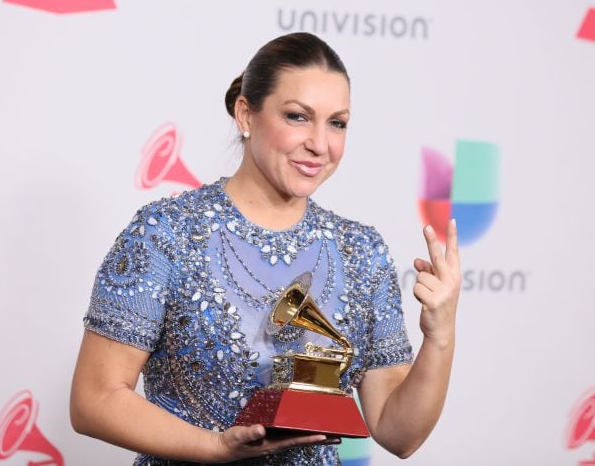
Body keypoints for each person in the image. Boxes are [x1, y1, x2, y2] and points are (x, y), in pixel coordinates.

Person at [70, 32, 461, 465]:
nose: (320, 143)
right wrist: (213, 447)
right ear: (246, 115)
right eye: (297, 116)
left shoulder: (361, 250)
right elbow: (94, 399)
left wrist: (440, 336)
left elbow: (397, 432)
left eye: (338, 123)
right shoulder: (167, 232)